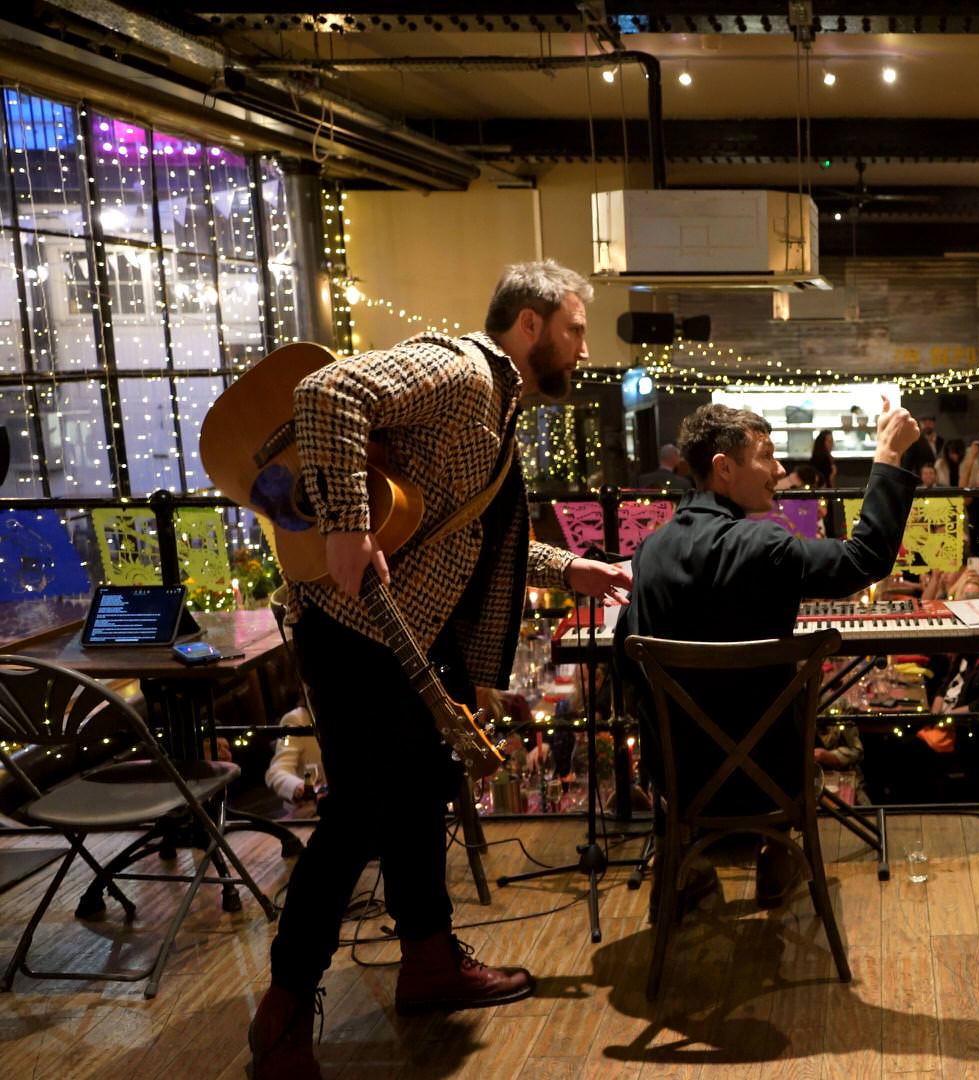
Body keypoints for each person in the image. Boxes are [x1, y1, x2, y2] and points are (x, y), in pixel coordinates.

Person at [249, 261, 633, 1078]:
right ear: (528, 325)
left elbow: (470, 539)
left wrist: (574, 572)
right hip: (357, 632)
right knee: (357, 816)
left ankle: (427, 962)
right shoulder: (461, 368)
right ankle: (282, 1012)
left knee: (420, 794)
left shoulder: (498, 405)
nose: (581, 348)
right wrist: (348, 526)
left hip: (413, 638)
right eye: (573, 329)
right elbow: (326, 395)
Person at [618, 400, 918, 904]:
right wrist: (887, 455)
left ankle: (683, 871)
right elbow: (866, 557)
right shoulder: (763, 546)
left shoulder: (651, 551)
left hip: (680, 783)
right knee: (793, 729)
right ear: (723, 468)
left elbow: (630, 668)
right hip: (772, 783)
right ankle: (777, 863)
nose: (780, 469)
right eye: (767, 454)